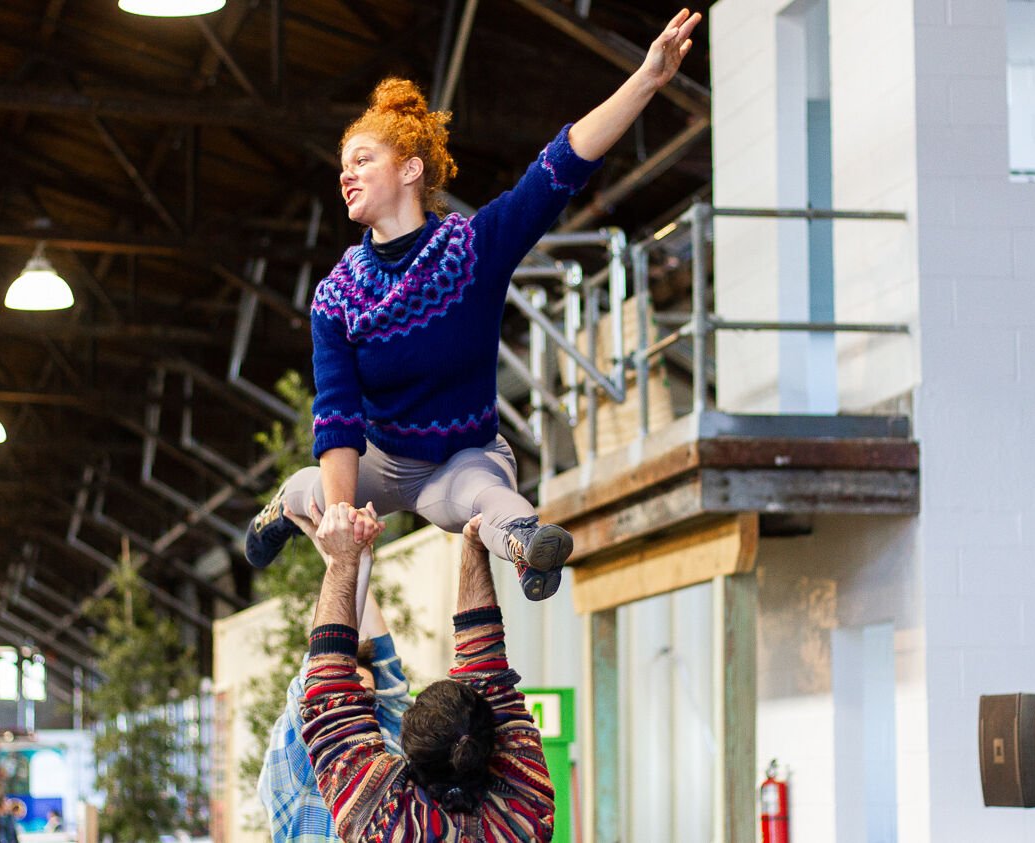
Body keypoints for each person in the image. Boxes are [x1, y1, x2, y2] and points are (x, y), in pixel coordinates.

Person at [245, 9, 705, 602]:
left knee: (485, 496)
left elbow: (562, 166)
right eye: (342, 166)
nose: (345, 175)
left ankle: (527, 543)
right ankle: (284, 506)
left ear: (410, 169)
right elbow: (337, 415)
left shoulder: (472, 249)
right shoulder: (337, 295)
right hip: (382, 461)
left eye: (361, 160)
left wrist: (646, 78)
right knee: (321, 491)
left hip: (462, 456)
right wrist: (343, 522)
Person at [299, 503, 553, 840]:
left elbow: (485, 668)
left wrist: (474, 545)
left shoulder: (529, 808)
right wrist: (342, 561)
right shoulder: (385, 824)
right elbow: (328, 689)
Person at [258, 503, 412, 843]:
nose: (354, 709)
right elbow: (325, 676)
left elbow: (380, 669)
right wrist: (349, 561)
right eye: (352, 697)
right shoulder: (301, 774)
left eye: (367, 700)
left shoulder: (381, 757)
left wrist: (351, 561)